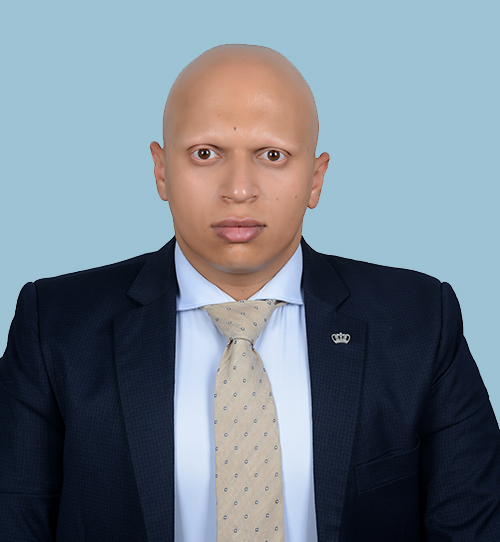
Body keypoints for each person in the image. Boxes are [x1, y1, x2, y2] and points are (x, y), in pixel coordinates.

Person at [1, 44, 499, 542]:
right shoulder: (55, 327)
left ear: (316, 179)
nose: (239, 190)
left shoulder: (420, 321)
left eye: (272, 155)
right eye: (205, 153)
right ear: (161, 170)